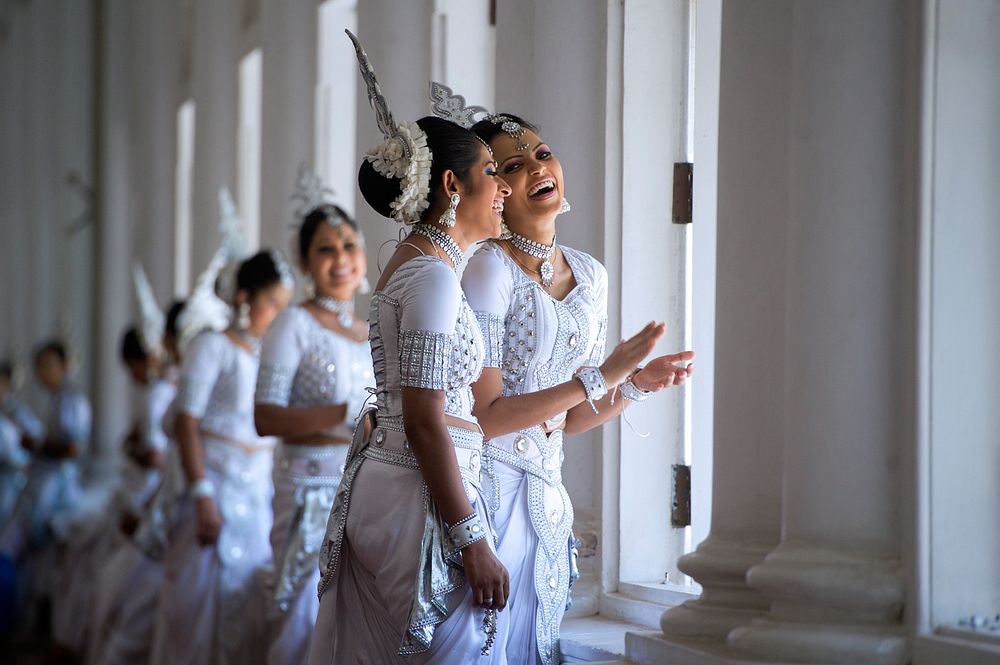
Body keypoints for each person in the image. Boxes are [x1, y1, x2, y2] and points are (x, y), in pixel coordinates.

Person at [431, 91, 693, 664]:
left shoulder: (591, 275)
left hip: (549, 500)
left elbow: (571, 419)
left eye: (542, 154)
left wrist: (636, 384)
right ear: (495, 188)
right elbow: (489, 417)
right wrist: (604, 375)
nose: (536, 169)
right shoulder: (487, 270)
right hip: (488, 492)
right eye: (513, 165)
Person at [307, 31, 510, 665]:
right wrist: (470, 536)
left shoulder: (417, 266)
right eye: (492, 173)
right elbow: (425, 422)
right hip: (415, 494)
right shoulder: (432, 277)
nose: (503, 187)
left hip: (401, 480)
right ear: (453, 184)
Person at [149, 250, 292, 665]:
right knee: (195, 607)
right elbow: (186, 422)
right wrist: (202, 493)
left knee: (247, 606)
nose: (279, 315)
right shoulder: (211, 346)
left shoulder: (270, 355)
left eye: (285, 305)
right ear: (244, 298)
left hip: (256, 491)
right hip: (212, 484)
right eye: (272, 303)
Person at [255, 203, 374, 665]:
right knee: (303, 613)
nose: (340, 258)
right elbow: (265, 417)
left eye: (348, 245)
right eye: (325, 249)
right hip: (307, 490)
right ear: (305, 262)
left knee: (355, 620)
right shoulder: (293, 324)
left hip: (363, 489)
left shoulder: (367, 331)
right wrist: (345, 413)